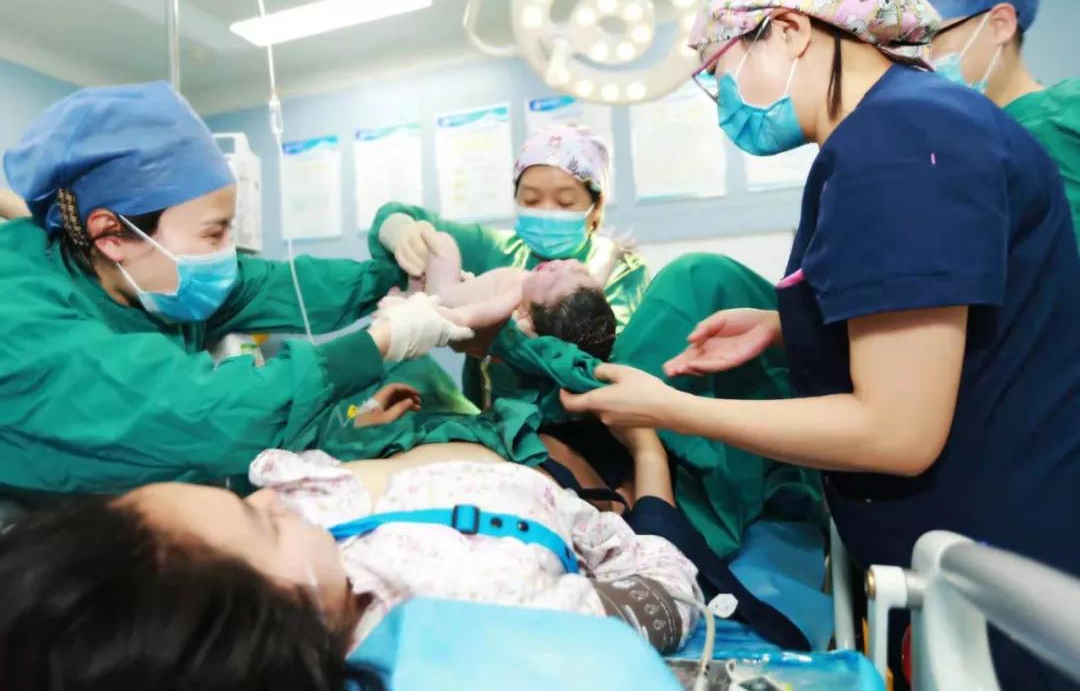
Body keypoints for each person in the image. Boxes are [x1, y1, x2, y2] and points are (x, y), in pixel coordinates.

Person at [560, 0, 1080, 688]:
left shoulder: (901, 145)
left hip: (1001, 564)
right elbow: (934, 306)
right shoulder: (904, 128)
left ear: (789, 31)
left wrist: (669, 410)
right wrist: (786, 324)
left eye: (719, 70)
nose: (722, 98)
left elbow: (897, 433)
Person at [0, 82, 470, 496]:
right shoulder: (20, 316)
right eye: (213, 233)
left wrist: (397, 274)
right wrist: (382, 341)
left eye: (231, 228)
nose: (228, 252)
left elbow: (285, 285)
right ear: (111, 235)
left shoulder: (145, 278)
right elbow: (200, 414)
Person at [0, 433, 700, 690]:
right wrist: (632, 488)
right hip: (573, 492)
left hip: (450, 437)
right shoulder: (497, 627)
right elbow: (669, 593)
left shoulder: (307, 550)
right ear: (286, 612)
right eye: (259, 520)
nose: (271, 500)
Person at [369, 124, 649, 408]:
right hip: (488, 416)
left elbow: (605, 368)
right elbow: (396, 214)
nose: (546, 212)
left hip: (572, 424)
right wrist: (400, 230)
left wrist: (502, 340)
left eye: (565, 202)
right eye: (531, 200)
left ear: (596, 206)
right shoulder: (498, 248)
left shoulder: (620, 269)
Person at [896, 0, 1080, 248]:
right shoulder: (950, 147)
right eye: (908, 48)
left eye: (931, 39)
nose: (921, 61)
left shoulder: (1068, 115)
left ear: (1000, 24)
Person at [409, 229, 617, 360]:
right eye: (577, 269)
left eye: (554, 279)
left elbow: (493, 309)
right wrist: (613, 252)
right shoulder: (569, 296)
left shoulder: (518, 293)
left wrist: (458, 317)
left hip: (446, 300)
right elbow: (594, 284)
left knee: (442, 243)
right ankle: (412, 291)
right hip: (467, 320)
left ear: (528, 317)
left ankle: (413, 294)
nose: (559, 264)